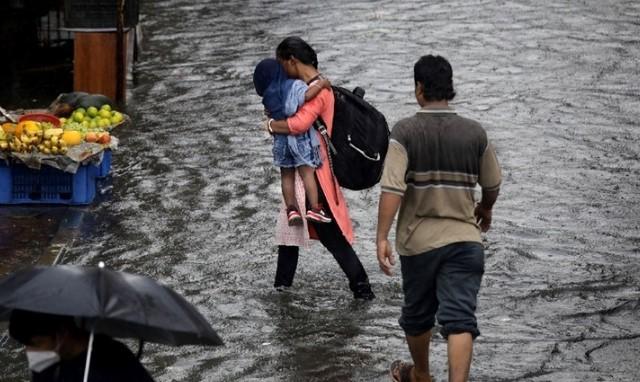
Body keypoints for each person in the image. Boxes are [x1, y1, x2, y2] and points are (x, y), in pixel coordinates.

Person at [375, 55, 501, 382]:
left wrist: (381, 237)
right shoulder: (475, 133)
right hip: (466, 242)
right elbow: (492, 183)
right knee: (460, 319)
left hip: (419, 243)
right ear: (450, 88)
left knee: (417, 316)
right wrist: (485, 209)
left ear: (419, 88)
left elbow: (392, 188)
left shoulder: (405, 131)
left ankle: (421, 375)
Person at [267, 36, 375, 300]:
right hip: (301, 173)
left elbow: (298, 124)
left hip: (315, 175)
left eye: (282, 64)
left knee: (332, 237)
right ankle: (282, 290)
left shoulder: (321, 91)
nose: (281, 70)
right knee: (288, 234)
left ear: (292, 61)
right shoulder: (303, 88)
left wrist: (270, 125)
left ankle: (362, 288)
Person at [253, 57, 333, 225]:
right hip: (300, 139)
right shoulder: (293, 86)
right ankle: (315, 209)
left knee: (286, 175)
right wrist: (321, 84)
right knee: (307, 173)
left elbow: (270, 113)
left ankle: (292, 210)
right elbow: (307, 95)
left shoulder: (268, 96)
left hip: (280, 141)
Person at [9, 309, 155, 382]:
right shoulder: (49, 364)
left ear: (62, 334)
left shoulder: (113, 362)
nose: (30, 351)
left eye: (37, 343)